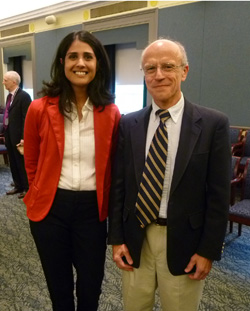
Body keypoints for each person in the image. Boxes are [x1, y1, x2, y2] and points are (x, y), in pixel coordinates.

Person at [108, 38, 231, 311]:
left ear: (184, 72)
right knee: (134, 307)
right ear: (144, 75)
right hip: (136, 237)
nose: (159, 75)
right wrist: (116, 239)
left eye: (168, 66)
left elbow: (219, 195)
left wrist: (208, 250)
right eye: (150, 69)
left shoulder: (213, 124)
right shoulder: (129, 123)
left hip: (186, 241)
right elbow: (119, 186)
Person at [23, 30, 121, 311]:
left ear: (98, 63)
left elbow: (113, 166)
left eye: (88, 57)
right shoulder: (39, 108)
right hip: (50, 210)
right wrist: (38, 190)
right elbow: (31, 160)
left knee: (91, 286)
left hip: (92, 212)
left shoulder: (110, 112)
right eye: (73, 56)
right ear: (62, 63)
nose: (81, 63)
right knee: (59, 288)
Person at [3, 71, 31, 199]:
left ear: (13, 82)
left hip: (19, 136)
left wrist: (24, 137)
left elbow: (27, 118)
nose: (3, 82)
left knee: (21, 162)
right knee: (13, 162)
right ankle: (18, 185)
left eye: (5, 80)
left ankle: (27, 187)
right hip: (9, 134)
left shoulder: (24, 96)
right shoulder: (9, 96)